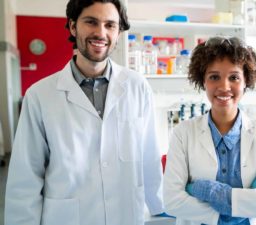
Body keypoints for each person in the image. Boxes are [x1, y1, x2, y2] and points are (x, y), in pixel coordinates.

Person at [5, 0, 164, 224]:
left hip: (127, 215)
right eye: (91, 22)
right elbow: (25, 179)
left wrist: (158, 209)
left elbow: (150, 158)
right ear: (72, 26)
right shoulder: (39, 96)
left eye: (110, 25)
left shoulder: (138, 87)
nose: (101, 32)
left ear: (118, 32)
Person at [163, 36, 256, 225]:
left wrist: (211, 191)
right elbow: (172, 201)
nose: (224, 86)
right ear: (203, 81)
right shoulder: (183, 133)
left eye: (234, 77)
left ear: (246, 81)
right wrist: (247, 199)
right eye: (214, 77)